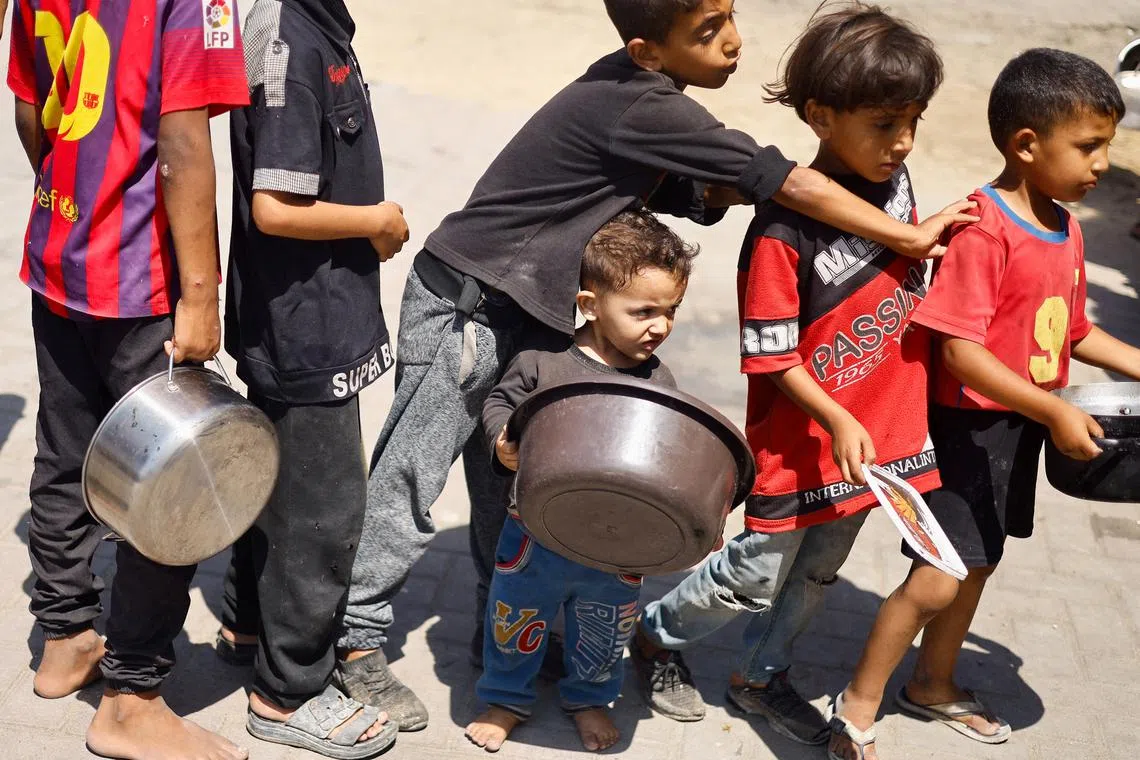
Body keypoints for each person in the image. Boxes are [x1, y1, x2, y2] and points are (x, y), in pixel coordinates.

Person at [336, 0, 975, 723]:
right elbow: (784, 181)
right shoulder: (640, 102)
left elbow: (690, 186)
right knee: (413, 476)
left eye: (730, 16)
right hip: (470, 304)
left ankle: (502, 636)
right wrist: (906, 237)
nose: (732, 41)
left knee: (506, 480)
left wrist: (743, 190)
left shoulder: (645, 97)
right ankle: (353, 644)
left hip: (533, 310)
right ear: (647, 50)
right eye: (707, 31)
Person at [628, 3, 958, 744]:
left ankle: (757, 678)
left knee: (815, 575)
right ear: (820, 115)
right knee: (754, 573)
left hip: (881, 448)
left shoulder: (899, 190)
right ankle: (653, 635)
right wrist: (838, 416)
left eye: (914, 122)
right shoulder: (783, 230)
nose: (902, 143)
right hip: (805, 443)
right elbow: (772, 356)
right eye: (883, 125)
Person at [828, 48, 1140, 760]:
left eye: (1106, 148)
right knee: (937, 577)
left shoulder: (1066, 227)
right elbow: (959, 353)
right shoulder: (984, 227)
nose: (1101, 165)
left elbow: (1076, 330)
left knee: (980, 564)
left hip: (1015, 426)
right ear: (1025, 145)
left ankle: (932, 685)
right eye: (1088, 147)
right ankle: (857, 708)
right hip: (963, 432)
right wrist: (1056, 410)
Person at [8, 0, 251, 758]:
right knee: (170, 484)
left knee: (65, 450)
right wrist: (200, 294)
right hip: (138, 282)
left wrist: (75, 207)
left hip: (60, 254)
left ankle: (66, 638)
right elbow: (183, 144)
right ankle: (133, 695)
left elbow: (29, 109)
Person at [220, 0, 410, 756]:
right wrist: (378, 219)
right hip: (304, 327)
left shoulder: (317, 23)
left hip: (315, 313)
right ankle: (287, 690)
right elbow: (274, 208)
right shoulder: (292, 47)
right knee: (324, 515)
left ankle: (251, 625)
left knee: (279, 487)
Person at [464, 209, 695, 753]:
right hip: (533, 537)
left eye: (671, 311)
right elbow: (500, 402)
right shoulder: (543, 365)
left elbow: (675, 447)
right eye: (643, 311)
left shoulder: (658, 379)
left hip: (617, 548)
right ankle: (506, 699)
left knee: (603, 632)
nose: (659, 326)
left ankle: (589, 698)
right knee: (514, 622)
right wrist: (504, 441)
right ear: (588, 306)